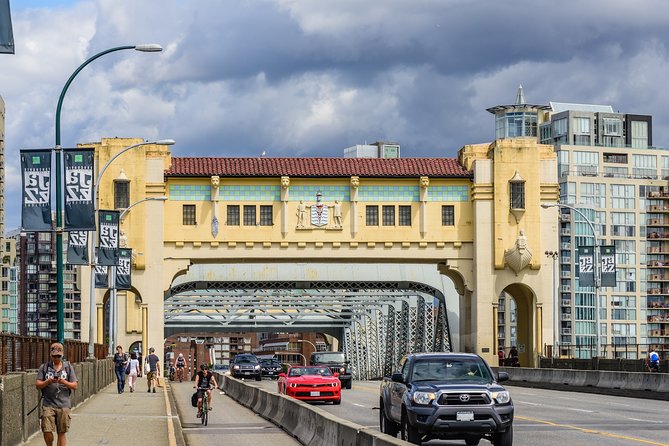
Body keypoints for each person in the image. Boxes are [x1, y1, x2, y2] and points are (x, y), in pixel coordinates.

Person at [35, 342, 78, 446]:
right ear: (50, 355)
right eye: (54, 356)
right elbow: (37, 385)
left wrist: (64, 382)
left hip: (63, 405)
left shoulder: (68, 367)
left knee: (61, 432)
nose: (56, 358)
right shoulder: (44, 367)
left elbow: (75, 385)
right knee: (46, 430)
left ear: (62, 355)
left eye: (58, 356)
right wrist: (47, 382)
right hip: (48, 404)